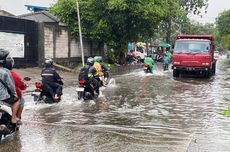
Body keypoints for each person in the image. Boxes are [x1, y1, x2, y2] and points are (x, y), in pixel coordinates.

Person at [0, 49, 20, 124]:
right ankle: (14, 118)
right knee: (17, 101)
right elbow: (11, 86)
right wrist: (15, 95)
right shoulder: (6, 72)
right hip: (3, 97)